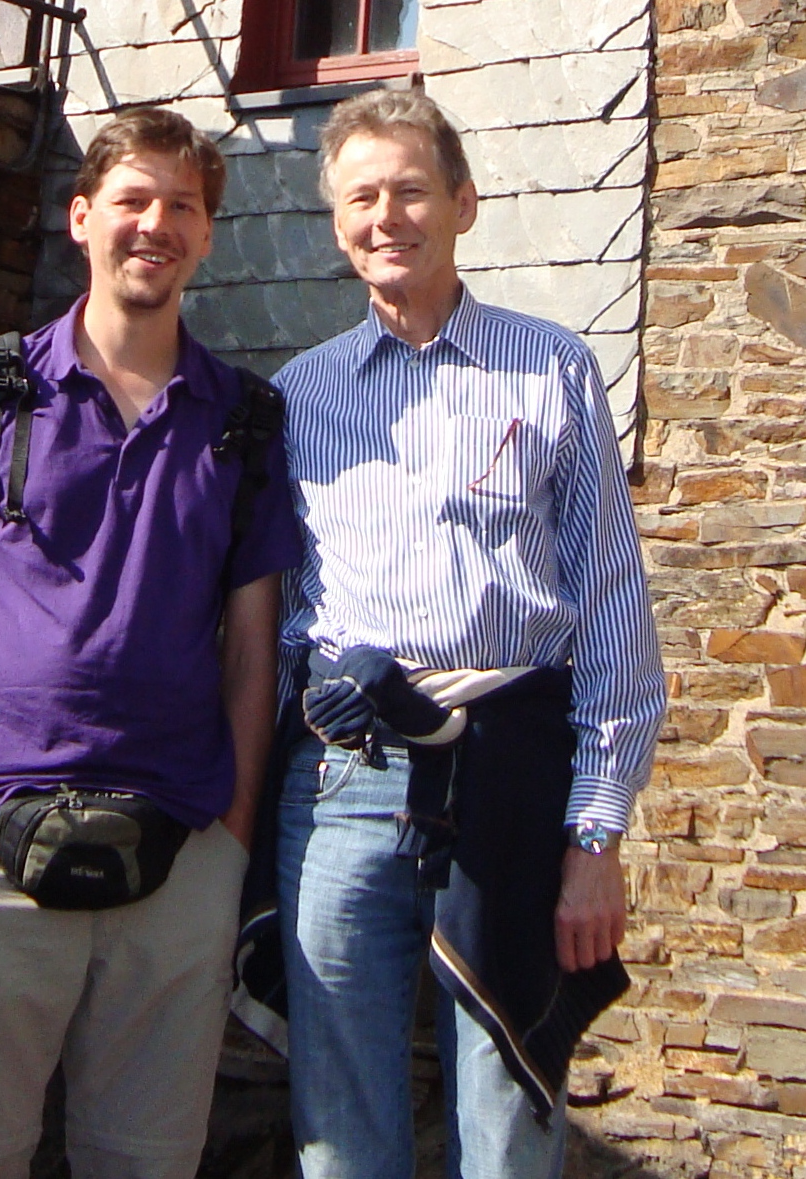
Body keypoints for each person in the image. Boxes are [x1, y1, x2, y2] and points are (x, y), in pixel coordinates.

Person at [0, 107, 300, 1179]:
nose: (156, 224)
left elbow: (253, 650)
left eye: (183, 206)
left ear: (207, 236)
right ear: (81, 216)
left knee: (145, 1165)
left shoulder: (243, 421)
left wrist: (232, 838)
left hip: (180, 857)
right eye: (133, 199)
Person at [272, 88, 665, 1179]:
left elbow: (613, 614)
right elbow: (279, 607)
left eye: (409, 190)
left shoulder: (552, 369)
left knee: (508, 1111)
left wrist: (596, 837)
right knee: (339, 1122)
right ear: (337, 222)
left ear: (464, 204)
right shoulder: (299, 397)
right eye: (360, 197)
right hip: (342, 786)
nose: (385, 217)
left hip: (510, 781)